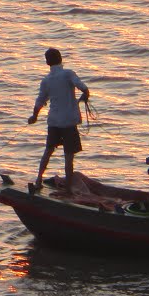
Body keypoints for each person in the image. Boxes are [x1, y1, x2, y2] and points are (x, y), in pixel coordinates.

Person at [28, 48, 90, 192]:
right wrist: (85, 96)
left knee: (48, 151)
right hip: (68, 122)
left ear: (47, 62)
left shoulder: (46, 81)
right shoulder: (68, 74)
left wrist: (34, 117)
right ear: (61, 59)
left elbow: (39, 101)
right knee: (68, 156)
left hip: (54, 122)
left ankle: (38, 179)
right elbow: (83, 88)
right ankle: (68, 189)